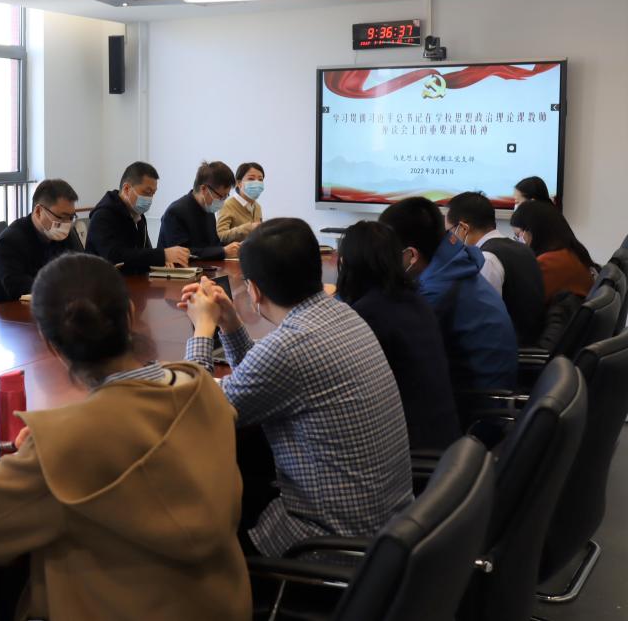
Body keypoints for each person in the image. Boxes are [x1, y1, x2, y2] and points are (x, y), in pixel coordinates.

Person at [0, 254, 250, 620]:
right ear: (130, 316)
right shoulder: (204, 392)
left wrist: (38, 452)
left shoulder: (68, 442)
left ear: (51, 344)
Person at [181, 218, 412, 557]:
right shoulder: (342, 314)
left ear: (254, 290)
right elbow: (263, 378)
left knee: (195, 528)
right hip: (386, 527)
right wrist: (229, 324)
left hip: (330, 542)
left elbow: (193, 415)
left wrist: (203, 328)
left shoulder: (290, 346)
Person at [336, 221, 461, 451]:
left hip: (408, 449)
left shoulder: (368, 314)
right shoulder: (415, 300)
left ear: (346, 264)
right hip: (443, 441)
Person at [380, 197, 518, 390]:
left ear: (411, 255)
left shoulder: (437, 292)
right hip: (484, 384)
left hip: (476, 400)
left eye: (388, 253)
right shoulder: (455, 264)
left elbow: (401, 355)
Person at [446, 191, 545, 344]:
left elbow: (481, 320)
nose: (449, 239)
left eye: (449, 232)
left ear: (463, 228)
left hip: (507, 348)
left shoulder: (487, 259)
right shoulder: (521, 248)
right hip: (527, 340)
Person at [0, 179, 83, 304]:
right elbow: (18, 288)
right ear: (38, 212)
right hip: (9, 311)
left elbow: (82, 270)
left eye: (71, 217)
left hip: (55, 306)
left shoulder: (67, 234)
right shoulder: (10, 241)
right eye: (62, 217)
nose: (67, 224)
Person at [85, 162, 190, 272]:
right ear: (126, 189)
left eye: (153, 193)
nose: (150, 198)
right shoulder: (102, 216)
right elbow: (115, 257)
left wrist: (160, 261)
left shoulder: (138, 216)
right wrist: (162, 255)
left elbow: (143, 252)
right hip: (102, 280)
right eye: (147, 192)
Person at [510, 200, 596, 302]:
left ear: (532, 231)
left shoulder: (549, 262)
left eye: (517, 235)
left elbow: (524, 302)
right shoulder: (570, 251)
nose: (518, 241)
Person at [158, 160, 241, 260]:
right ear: (204, 189)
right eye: (221, 196)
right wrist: (223, 251)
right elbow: (182, 253)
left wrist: (234, 248)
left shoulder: (208, 210)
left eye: (226, 196)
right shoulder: (175, 212)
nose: (222, 201)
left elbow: (214, 245)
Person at [217, 162, 265, 244]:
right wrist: (248, 228)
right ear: (238, 183)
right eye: (251, 179)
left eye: (260, 180)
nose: (257, 183)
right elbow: (220, 236)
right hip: (234, 252)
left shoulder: (257, 207)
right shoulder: (227, 205)